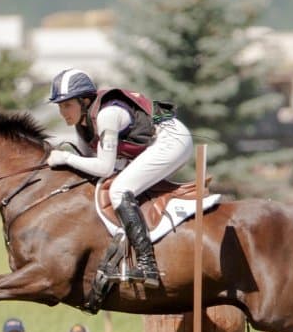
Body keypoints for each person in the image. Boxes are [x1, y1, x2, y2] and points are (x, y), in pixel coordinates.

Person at [45, 68, 194, 288]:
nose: (62, 112)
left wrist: (65, 157)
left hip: (172, 139)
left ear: (85, 101)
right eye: (59, 106)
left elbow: (104, 167)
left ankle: (147, 264)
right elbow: (92, 168)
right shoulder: (84, 125)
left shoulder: (107, 115)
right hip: (156, 140)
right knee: (111, 186)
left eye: (67, 105)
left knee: (119, 190)